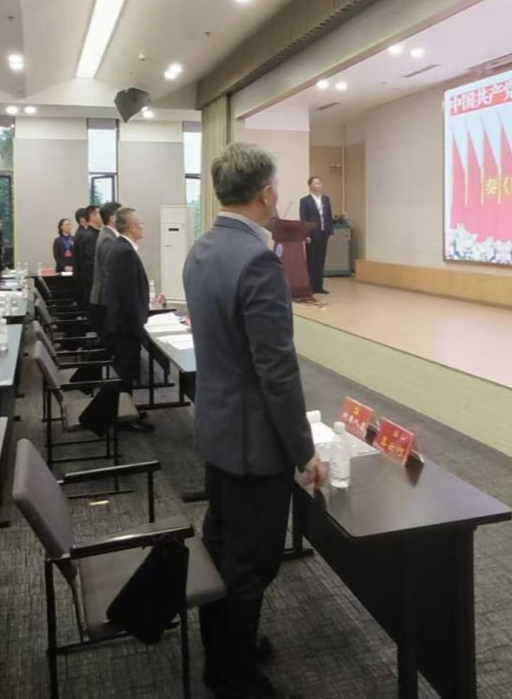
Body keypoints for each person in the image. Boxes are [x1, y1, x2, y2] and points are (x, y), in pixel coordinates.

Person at [182, 143, 325, 699]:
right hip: (253, 442)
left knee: (221, 545)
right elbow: (277, 370)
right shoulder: (258, 260)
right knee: (252, 563)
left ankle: (224, 650)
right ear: (266, 193)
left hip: (218, 427)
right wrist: (303, 449)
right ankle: (234, 676)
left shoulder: (202, 248)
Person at [101, 207, 148, 395]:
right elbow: (129, 295)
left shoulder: (120, 247)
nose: (143, 227)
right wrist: (139, 327)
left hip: (122, 323)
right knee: (125, 373)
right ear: (132, 227)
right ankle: (122, 409)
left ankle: (124, 406)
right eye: (141, 223)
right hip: (126, 326)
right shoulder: (125, 251)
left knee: (125, 371)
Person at [89, 200, 121, 336]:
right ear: (112, 218)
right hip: (105, 297)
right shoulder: (108, 238)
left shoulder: (110, 236)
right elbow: (109, 271)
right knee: (110, 336)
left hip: (106, 296)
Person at [298, 176, 334, 295]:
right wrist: (306, 234)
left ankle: (319, 286)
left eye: (320, 182)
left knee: (320, 260)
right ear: (310, 186)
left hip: (323, 233)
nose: (319, 185)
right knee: (311, 260)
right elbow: (304, 218)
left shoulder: (326, 199)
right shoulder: (305, 201)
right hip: (312, 235)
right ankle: (310, 286)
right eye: (316, 183)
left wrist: (330, 231)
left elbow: (329, 216)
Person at [73, 204, 101, 306]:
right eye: (100, 214)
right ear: (92, 216)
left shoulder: (90, 234)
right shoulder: (89, 236)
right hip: (91, 286)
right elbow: (92, 263)